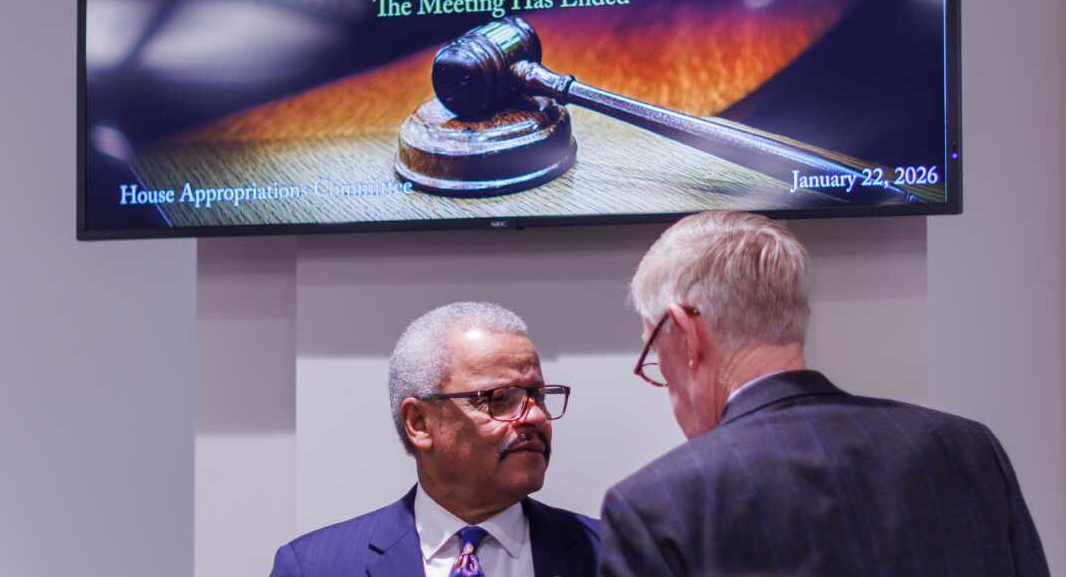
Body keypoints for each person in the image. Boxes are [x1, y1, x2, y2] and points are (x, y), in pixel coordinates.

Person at [598, 211, 1050, 577]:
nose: (666, 383)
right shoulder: (968, 449)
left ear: (686, 332)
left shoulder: (656, 506)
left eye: (656, 355)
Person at [270, 301, 599, 577]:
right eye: (500, 398)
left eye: (538, 396)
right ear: (419, 423)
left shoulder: (610, 554)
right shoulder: (316, 567)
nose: (537, 417)